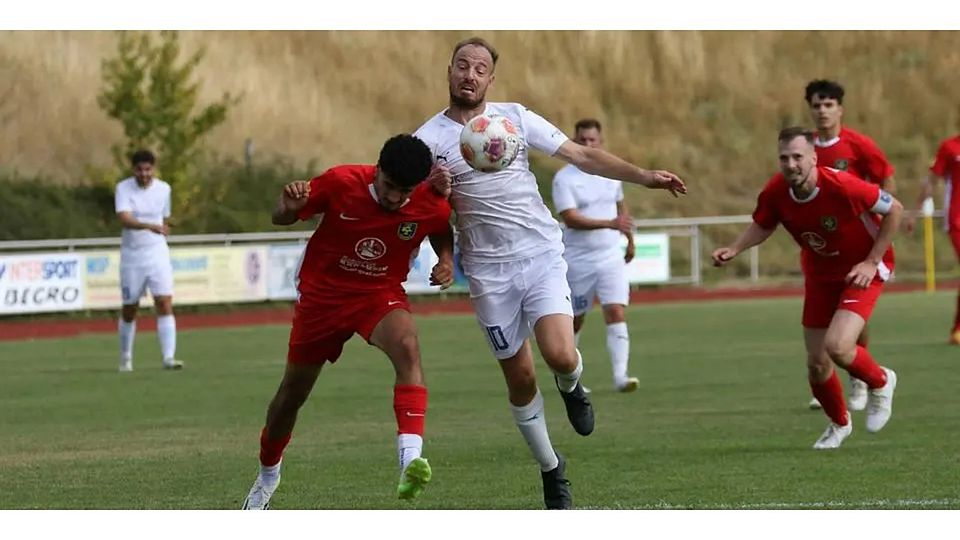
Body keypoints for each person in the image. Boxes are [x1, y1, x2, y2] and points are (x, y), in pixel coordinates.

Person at [414, 37, 686, 509]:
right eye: (463, 65)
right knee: (519, 381)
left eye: (480, 68)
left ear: (490, 80)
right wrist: (440, 235)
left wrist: (643, 175)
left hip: (539, 254)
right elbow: (425, 212)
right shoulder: (426, 141)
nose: (470, 75)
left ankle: (572, 384)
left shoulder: (514, 118)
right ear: (450, 71)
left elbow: (581, 155)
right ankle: (551, 468)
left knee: (560, 354)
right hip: (487, 272)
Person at [242, 134, 455, 509]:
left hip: (378, 294)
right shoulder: (341, 182)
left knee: (407, 347)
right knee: (290, 397)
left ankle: (410, 462)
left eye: (403, 192)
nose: (393, 198)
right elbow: (282, 216)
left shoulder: (429, 203)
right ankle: (267, 475)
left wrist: (446, 260)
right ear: (377, 169)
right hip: (322, 299)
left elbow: (440, 226)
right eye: (388, 186)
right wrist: (288, 207)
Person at [712, 126, 900, 450]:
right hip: (819, 274)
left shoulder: (842, 185)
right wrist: (736, 248)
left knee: (839, 347)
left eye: (798, 157)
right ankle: (839, 424)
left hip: (861, 270)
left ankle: (881, 381)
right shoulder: (776, 192)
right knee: (816, 363)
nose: (790, 164)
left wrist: (871, 261)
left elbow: (894, 208)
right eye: (784, 158)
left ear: (813, 158)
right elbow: (764, 223)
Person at [804, 79, 897, 411]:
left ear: (840, 109)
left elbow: (885, 178)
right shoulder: (805, 149)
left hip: (857, 242)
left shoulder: (858, 145)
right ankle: (830, 381)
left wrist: (880, 209)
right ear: (810, 109)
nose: (823, 111)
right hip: (823, 244)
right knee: (825, 322)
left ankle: (859, 376)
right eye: (817, 105)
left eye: (829, 104)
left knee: (852, 315)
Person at [551, 118, 639, 393]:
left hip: (610, 255)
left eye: (592, 140)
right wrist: (610, 224)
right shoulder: (564, 178)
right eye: (582, 140)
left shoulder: (609, 173)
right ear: (574, 142)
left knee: (615, 310)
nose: (587, 145)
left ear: (601, 143)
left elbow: (620, 207)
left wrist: (629, 238)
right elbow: (571, 218)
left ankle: (621, 376)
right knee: (575, 318)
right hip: (577, 259)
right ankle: (570, 378)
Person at [114, 149, 181, 372]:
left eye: (148, 169)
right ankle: (125, 357)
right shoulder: (123, 188)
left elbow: (165, 216)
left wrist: (164, 226)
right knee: (130, 308)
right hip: (133, 255)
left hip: (157, 252)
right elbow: (124, 218)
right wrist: (149, 226)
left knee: (164, 302)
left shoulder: (164, 189)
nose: (144, 174)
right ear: (133, 170)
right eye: (140, 170)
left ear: (154, 169)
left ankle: (169, 357)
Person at [905, 131, 960, 344]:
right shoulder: (950, 147)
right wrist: (913, 212)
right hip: (957, 221)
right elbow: (932, 181)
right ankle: (957, 329)